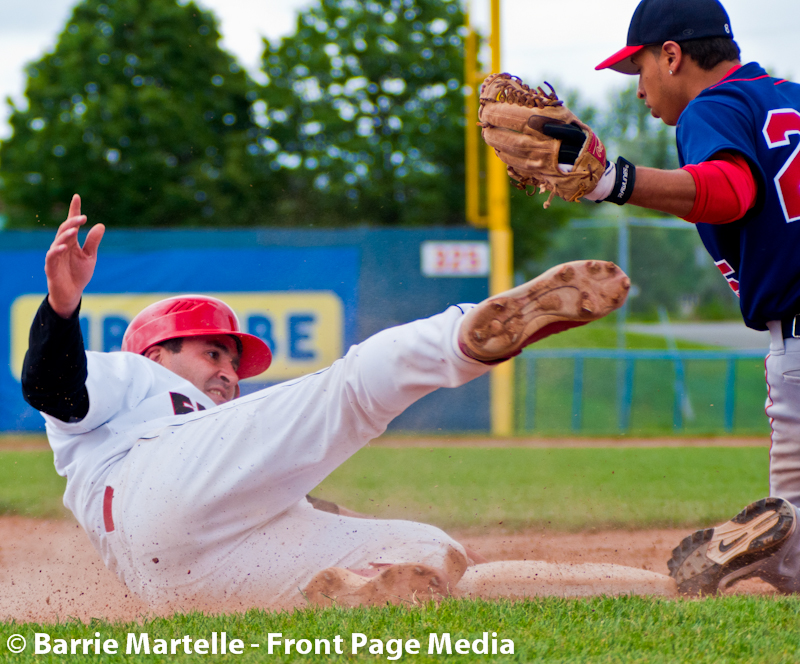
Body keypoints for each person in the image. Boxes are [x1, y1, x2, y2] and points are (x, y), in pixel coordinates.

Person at [22, 194, 674, 613]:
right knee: (352, 389)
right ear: (155, 353)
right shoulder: (127, 376)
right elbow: (52, 389)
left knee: (433, 553)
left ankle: (353, 593)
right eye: (210, 354)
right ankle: (463, 334)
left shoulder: (220, 428)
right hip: (149, 481)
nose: (226, 372)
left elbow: (268, 495)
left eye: (232, 361)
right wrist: (62, 307)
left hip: (181, 588)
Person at [588, 0, 800, 594]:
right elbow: (757, 208)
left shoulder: (711, 108)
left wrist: (613, 180)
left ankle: (763, 546)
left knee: (791, 557)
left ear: (673, 56)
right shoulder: (790, 95)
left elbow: (730, 192)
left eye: (640, 71)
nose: (639, 91)